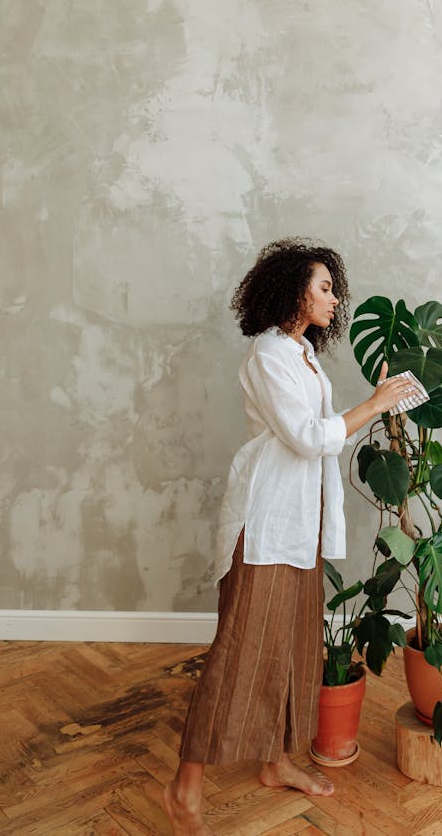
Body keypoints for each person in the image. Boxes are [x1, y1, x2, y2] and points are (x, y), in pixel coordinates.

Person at [163, 238, 414, 835]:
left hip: (300, 526)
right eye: (325, 287)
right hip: (267, 522)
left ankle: (275, 764)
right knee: (239, 654)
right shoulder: (268, 354)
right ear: (293, 291)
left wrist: (380, 407)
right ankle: (184, 789)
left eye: (333, 288)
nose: (335, 298)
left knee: (291, 648)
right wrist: (372, 405)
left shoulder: (302, 354)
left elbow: (323, 436)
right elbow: (307, 437)